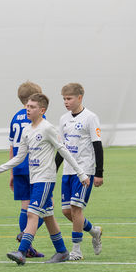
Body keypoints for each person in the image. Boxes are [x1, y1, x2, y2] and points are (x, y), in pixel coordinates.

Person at [0, 93, 90, 264]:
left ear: (42, 110)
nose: (28, 109)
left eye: (32, 107)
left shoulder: (47, 128)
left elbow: (63, 150)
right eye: (27, 106)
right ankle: (62, 252)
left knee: (32, 213)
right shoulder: (27, 130)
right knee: (48, 216)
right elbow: (19, 157)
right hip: (34, 179)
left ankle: (21, 252)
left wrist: (81, 173)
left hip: (45, 179)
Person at [57, 83, 104, 260]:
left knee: (76, 209)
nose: (66, 102)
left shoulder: (91, 118)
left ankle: (76, 251)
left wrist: (99, 173)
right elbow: (61, 147)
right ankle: (94, 231)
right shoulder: (63, 119)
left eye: (69, 98)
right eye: (64, 99)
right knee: (66, 211)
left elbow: (97, 146)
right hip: (68, 171)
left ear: (79, 97)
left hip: (84, 170)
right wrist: (53, 169)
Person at [8, 81, 46, 258]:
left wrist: (11, 172)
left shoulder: (15, 118)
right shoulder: (37, 116)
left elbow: (11, 147)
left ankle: (27, 247)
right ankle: (25, 237)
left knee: (25, 207)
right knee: (46, 206)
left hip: (18, 167)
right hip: (35, 166)